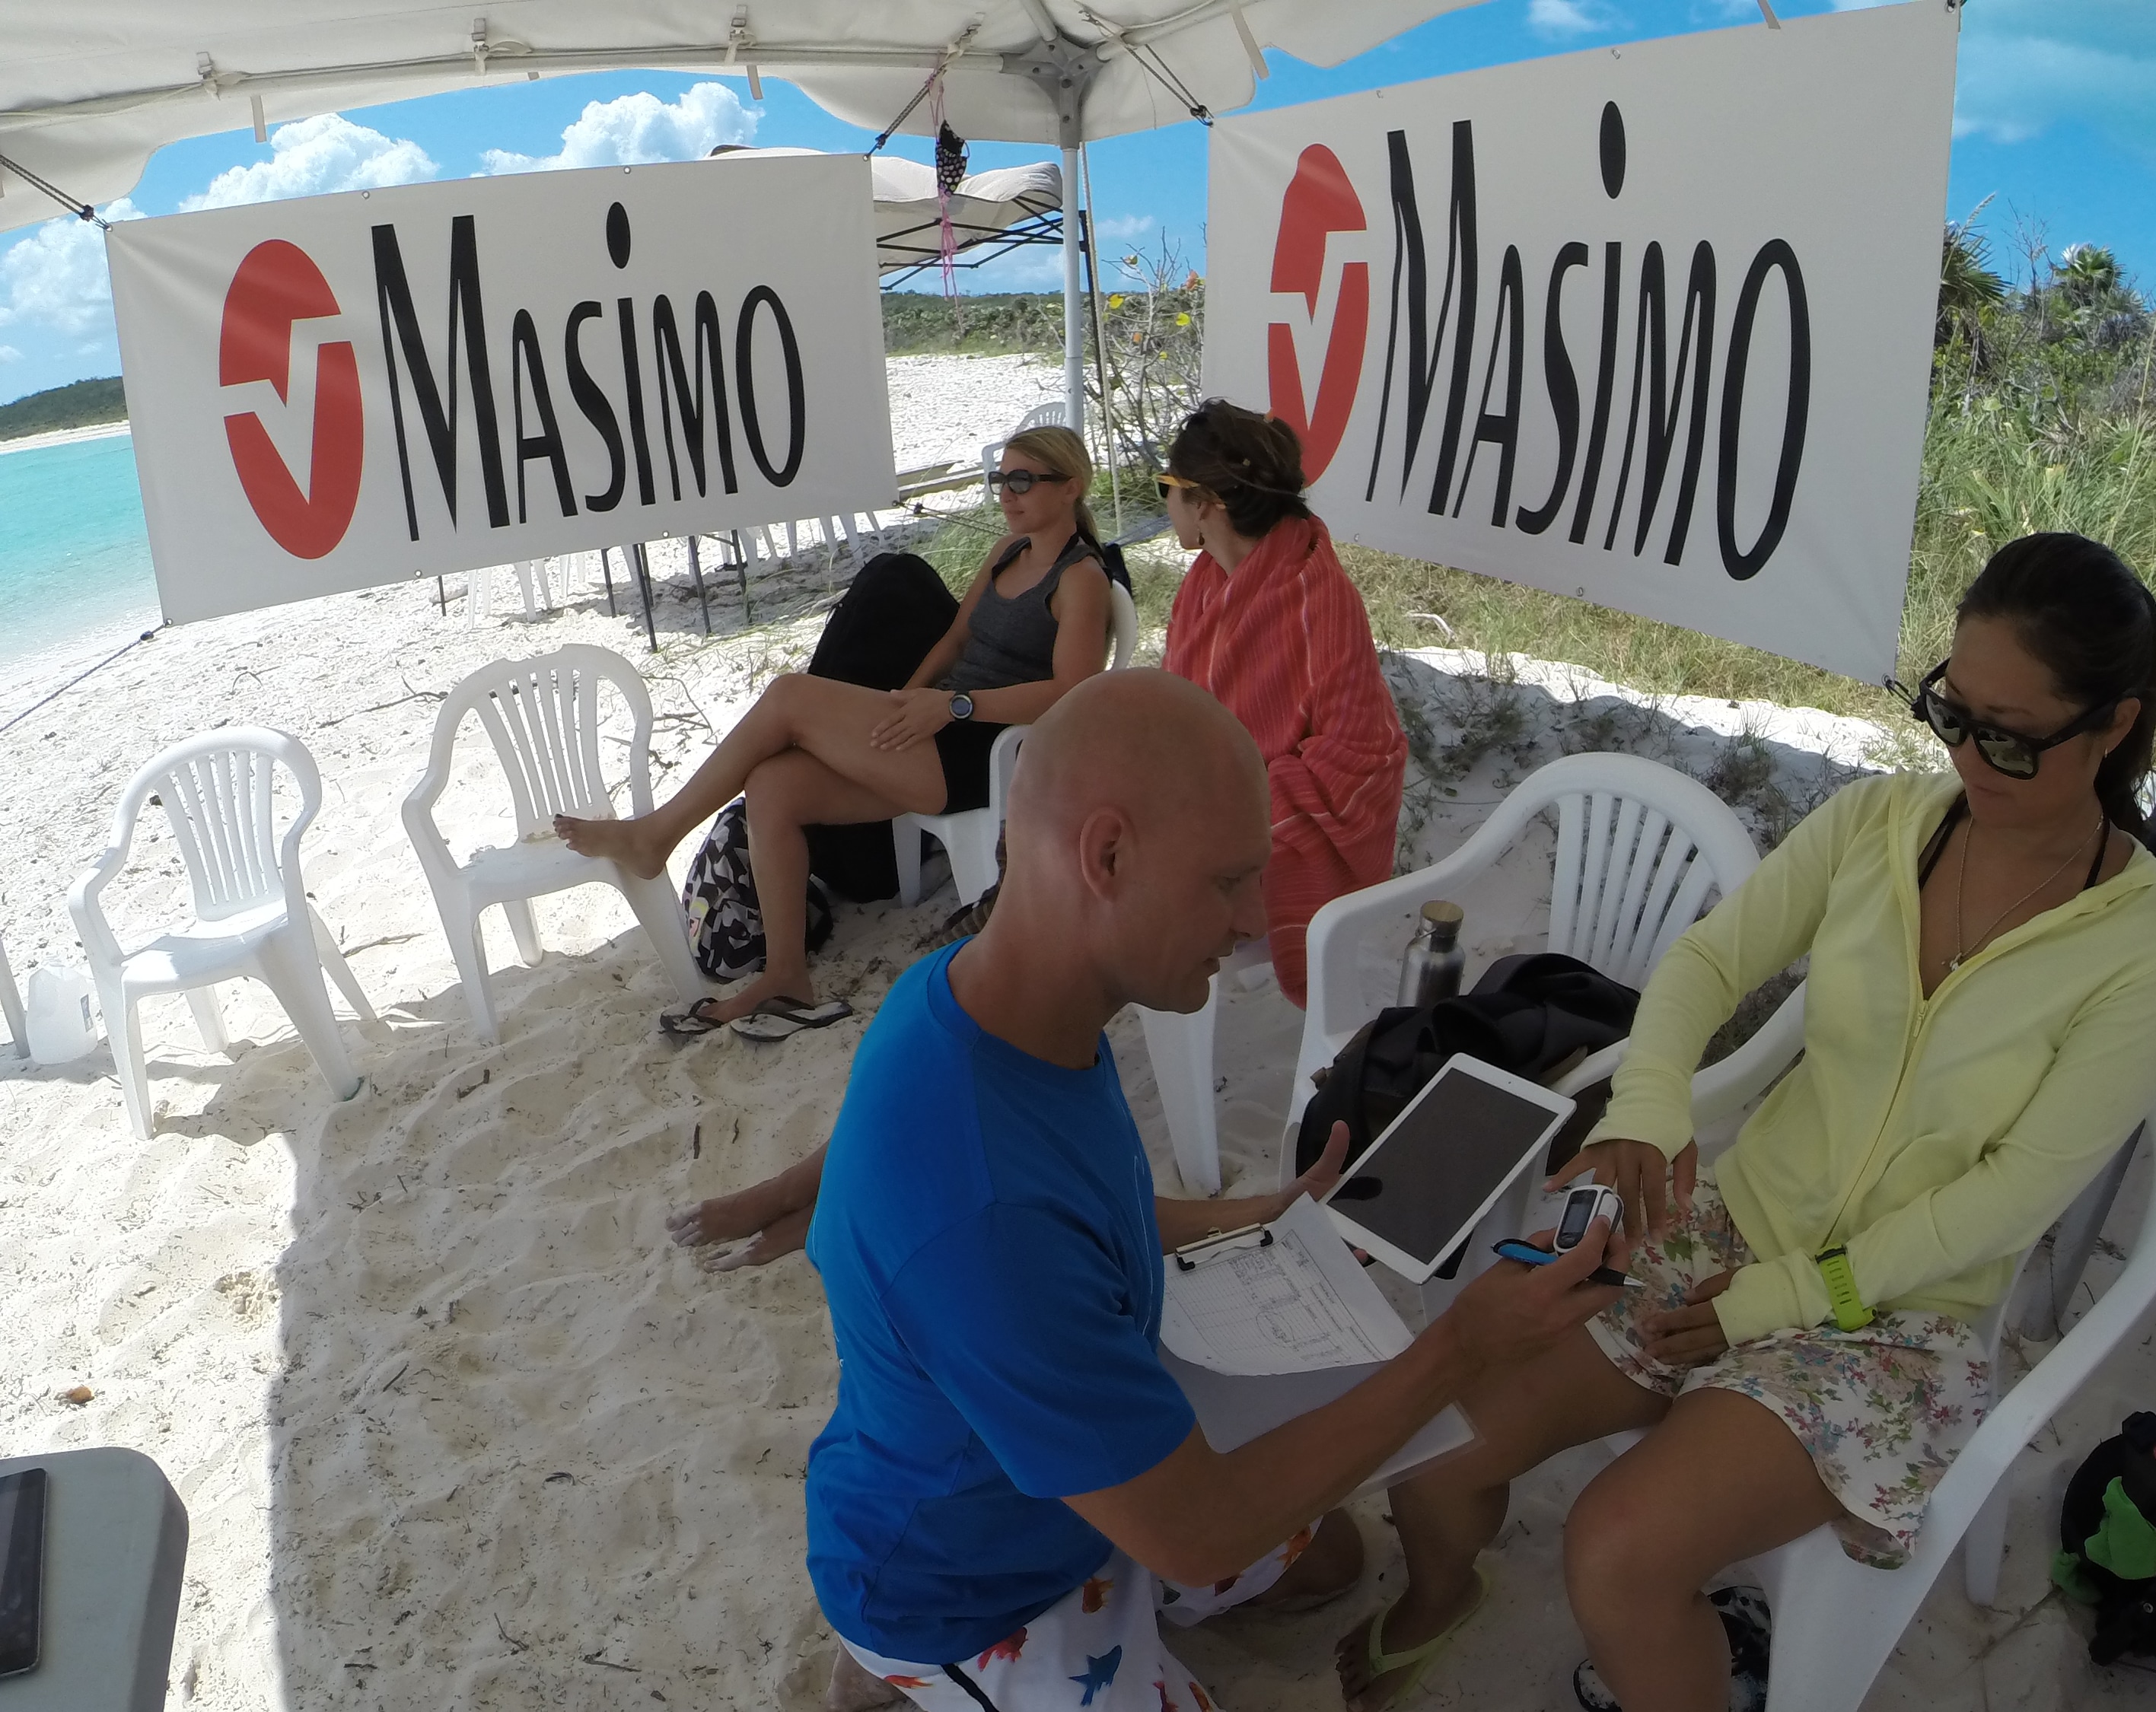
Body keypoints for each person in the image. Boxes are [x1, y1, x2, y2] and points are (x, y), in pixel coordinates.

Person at [1334, 533, 2156, 1712]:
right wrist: (1646, 1107)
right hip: (1733, 1221)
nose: (1969, 759)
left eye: (2012, 737)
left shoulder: (2146, 947)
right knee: (1437, 1438)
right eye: (1952, 711)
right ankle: (1440, 1594)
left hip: (1886, 1312)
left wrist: (1786, 1302)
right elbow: (1704, 960)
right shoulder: (1880, 824)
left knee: (1617, 1550)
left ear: (2114, 726)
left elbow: (2009, 1198)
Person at [804, 670, 1632, 1712]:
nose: (1252, 921)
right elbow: (1196, 1535)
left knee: (1328, 1556)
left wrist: (1246, 1216)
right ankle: (898, 1669)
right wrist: (1464, 1346)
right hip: (972, 1582)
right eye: (1229, 880)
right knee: (1244, 1527)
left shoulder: (1002, 1002)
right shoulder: (985, 1208)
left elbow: (1076, 1214)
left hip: (1070, 1481)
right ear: (1106, 855)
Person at [557, 425, 1112, 1039]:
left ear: (1072, 487)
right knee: (772, 785)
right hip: (936, 725)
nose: (1007, 494)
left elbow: (1074, 693)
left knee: (790, 695)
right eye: (1001, 479)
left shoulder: (1079, 579)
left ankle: (658, 834)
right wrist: (906, 695)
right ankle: (787, 978)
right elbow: (954, 638)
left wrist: (955, 705)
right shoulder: (1008, 552)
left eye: (1024, 480)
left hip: (982, 751)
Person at [1159, 399, 1406, 1006]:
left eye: (1167, 486)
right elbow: (1180, 705)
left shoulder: (1313, 593)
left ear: (1207, 503)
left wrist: (1240, 804)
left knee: (1139, 870)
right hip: (1212, 791)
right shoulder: (1206, 581)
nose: (1163, 500)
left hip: (1269, 816)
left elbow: (1360, 751)